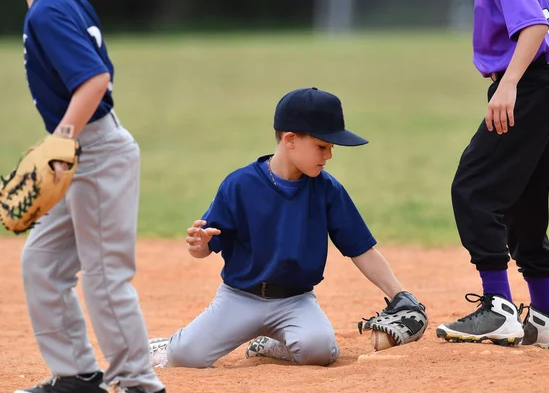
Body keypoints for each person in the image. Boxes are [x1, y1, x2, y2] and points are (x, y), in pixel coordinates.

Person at [149, 87, 428, 369]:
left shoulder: (327, 190)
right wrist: (201, 246)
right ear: (290, 139)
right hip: (238, 298)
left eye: (331, 147)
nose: (329, 155)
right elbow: (208, 246)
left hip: (295, 302)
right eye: (322, 145)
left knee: (318, 351)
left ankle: (272, 345)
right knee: (185, 358)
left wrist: (398, 294)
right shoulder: (239, 185)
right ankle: (166, 344)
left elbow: (361, 249)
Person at [11, 0, 172, 393]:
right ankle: (77, 374)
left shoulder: (47, 9)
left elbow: (96, 79)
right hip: (83, 150)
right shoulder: (63, 1)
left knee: (104, 274)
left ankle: (142, 388)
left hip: (95, 152)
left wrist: (61, 140)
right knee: (42, 260)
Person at [436, 0, 549, 349]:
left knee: (473, 189)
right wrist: (545, 79)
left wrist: (511, 83)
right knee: (523, 201)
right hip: (543, 84)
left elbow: (537, 26)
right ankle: (545, 317)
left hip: (526, 86)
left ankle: (498, 308)